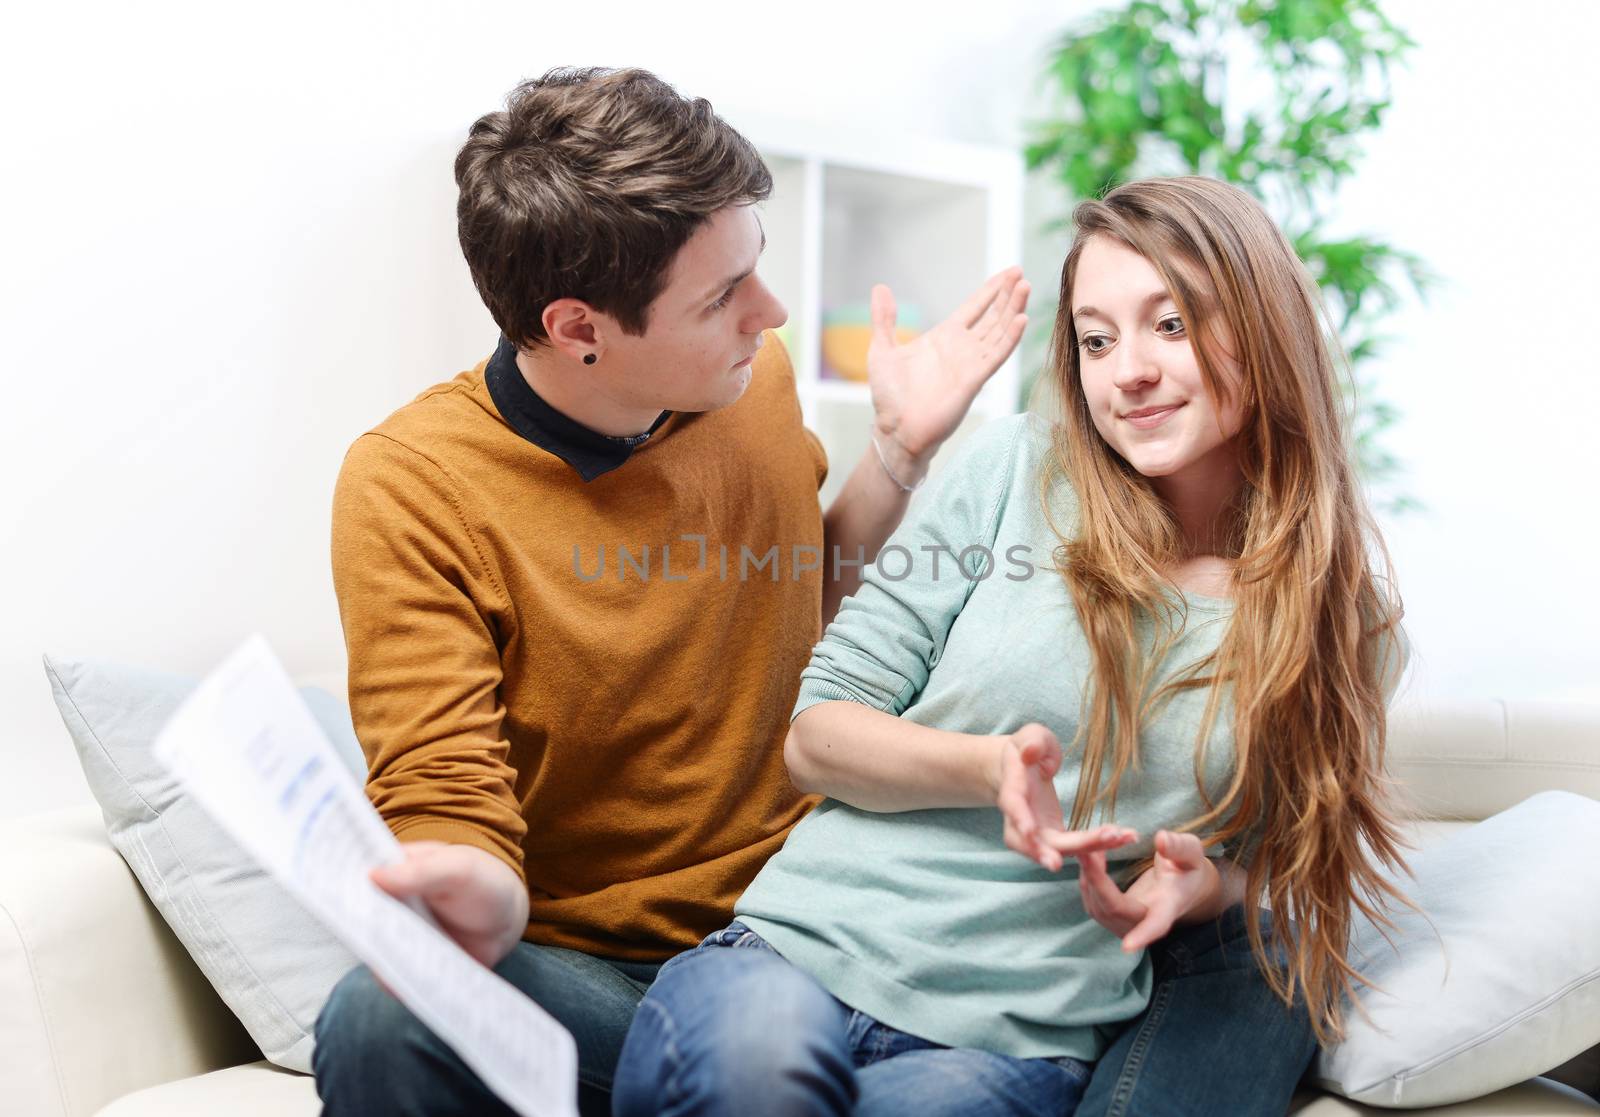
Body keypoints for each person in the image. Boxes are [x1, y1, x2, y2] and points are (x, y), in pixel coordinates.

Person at [311, 67, 1029, 1117]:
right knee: (377, 1016)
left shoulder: (751, 378)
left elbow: (797, 606)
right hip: (586, 967)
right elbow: (443, 789)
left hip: (801, 931)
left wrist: (895, 455)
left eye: (756, 269)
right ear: (577, 327)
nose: (771, 313)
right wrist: (470, 891)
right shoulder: (414, 485)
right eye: (721, 296)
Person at [612, 176, 1412, 1117]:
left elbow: (1286, 862)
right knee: (756, 1087)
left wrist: (1202, 889)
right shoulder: (1016, 468)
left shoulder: (1343, 620)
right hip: (794, 959)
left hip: (1016, 1038)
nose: (1129, 372)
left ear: (1263, 323)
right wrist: (988, 766)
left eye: (1172, 323)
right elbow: (815, 737)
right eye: (1097, 339)